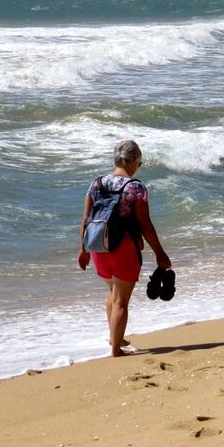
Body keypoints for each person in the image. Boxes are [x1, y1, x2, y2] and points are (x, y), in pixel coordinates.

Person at [78, 140, 171, 357]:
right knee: (121, 300)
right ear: (135, 161)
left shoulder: (97, 183)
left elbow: (85, 219)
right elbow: (145, 225)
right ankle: (116, 349)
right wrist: (160, 253)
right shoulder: (136, 188)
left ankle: (115, 337)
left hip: (98, 245)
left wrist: (83, 250)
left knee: (112, 292)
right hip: (124, 248)